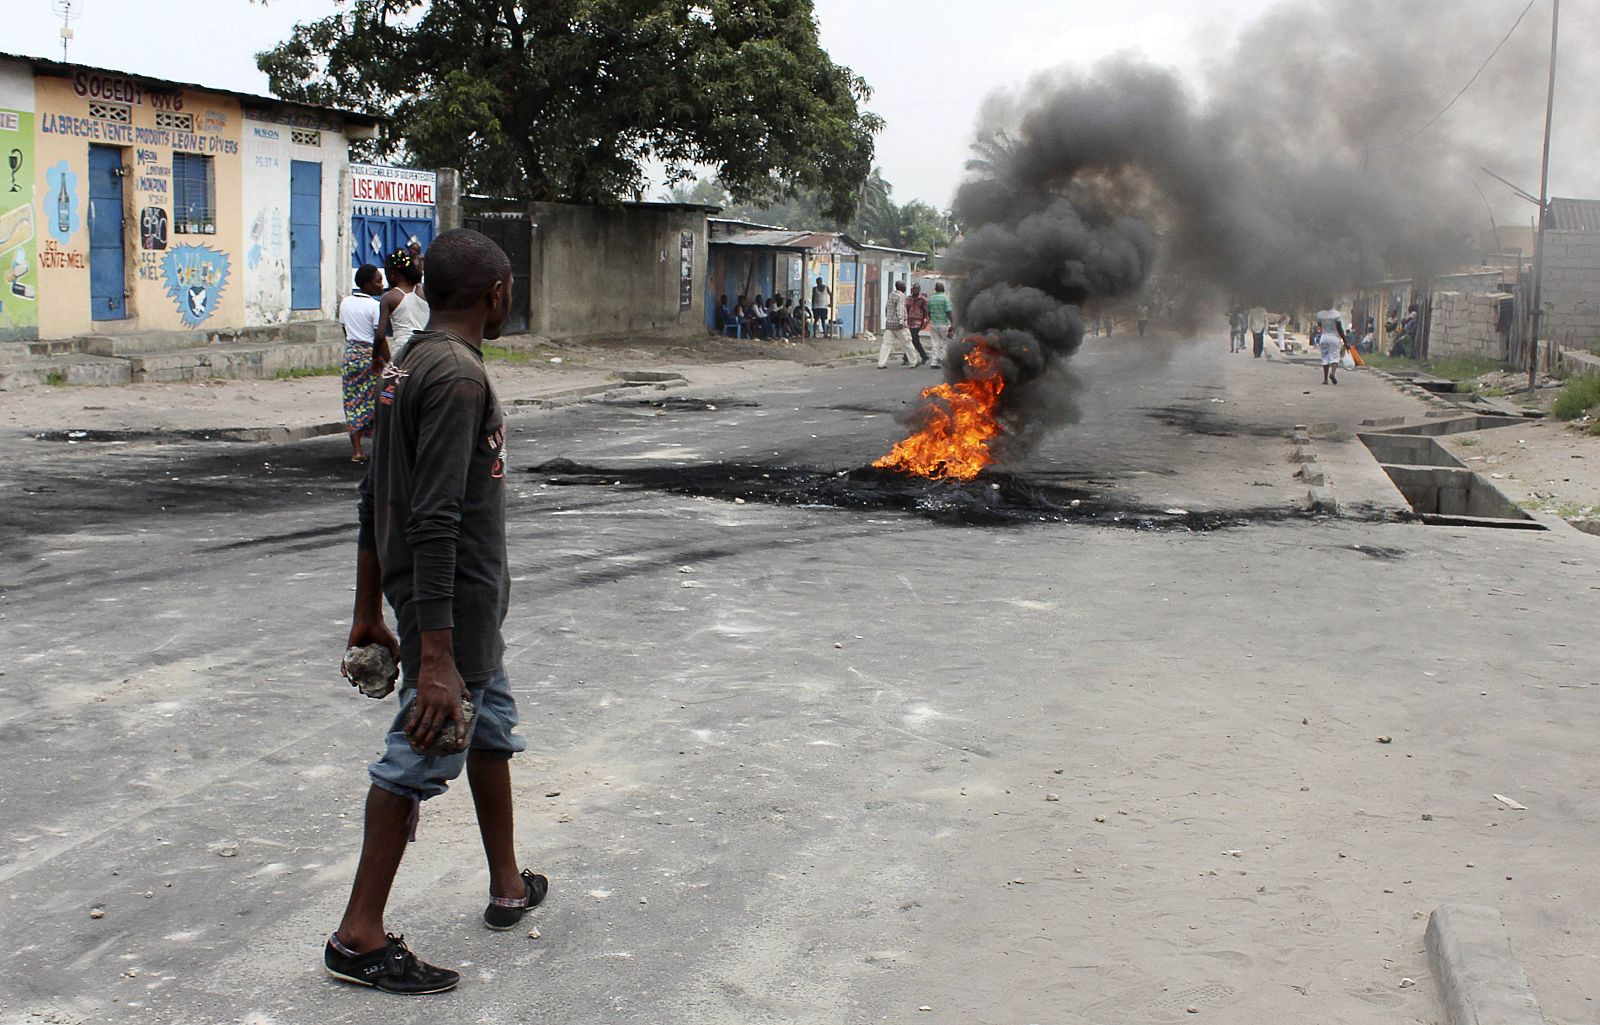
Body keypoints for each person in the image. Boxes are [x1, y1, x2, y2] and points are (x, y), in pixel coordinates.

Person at [326, 228, 546, 996]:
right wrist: (436, 657)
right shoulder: (453, 376)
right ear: (494, 293)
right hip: (451, 611)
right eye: (509, 285)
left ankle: (508, 883)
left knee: (491, 727)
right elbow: (435, 517)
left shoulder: (405, 366)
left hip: (443, 609)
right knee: (424, 746)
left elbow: (372, 495)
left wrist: (367, 611)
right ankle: (359, 934)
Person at [340, 264, 386, 463]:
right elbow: (380, 336)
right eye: (378, 280)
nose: (381, 285)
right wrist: (385, 359)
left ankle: (356, 450)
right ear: (367, 284)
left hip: (350, 354)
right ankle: (379, 448)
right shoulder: (375, 306)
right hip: (370, 355)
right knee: (376, 401)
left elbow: (344, 329)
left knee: (352, 401)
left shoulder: (345, 302)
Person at [376, 248, 429, 367]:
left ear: (392, 274)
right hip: (426, 348)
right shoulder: (424, 291)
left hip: (402, 350)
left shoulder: (389, 297)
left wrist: (376, 356)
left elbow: (380, 335)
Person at [877, 280, 921, 369]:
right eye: (904, 285)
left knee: (886, 344)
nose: (905, 287)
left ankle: (881, 363)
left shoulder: (891, 294)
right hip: (898, 324)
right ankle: (913, 361)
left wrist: (888, 318)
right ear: (901, 287)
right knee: (907, 342)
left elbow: (887, 308)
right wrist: (901, 321)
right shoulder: (901, 296)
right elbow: (900, 309)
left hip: (889, 324)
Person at [926, 281, 954, 368]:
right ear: (944, 289)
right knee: (948, 341)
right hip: (944, 324)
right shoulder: (946, 298)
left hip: (934, 324)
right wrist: (953, 323)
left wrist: (931, 319)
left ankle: (933, 362)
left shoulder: (931, 299)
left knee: (935, 343)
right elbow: (949, 311)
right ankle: (942, 358)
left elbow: (928, 312)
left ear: (935, 289)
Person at [1316, 306, 1347, 385]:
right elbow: (1339, 328)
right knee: (1335, 357)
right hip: (1334, 337)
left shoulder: (1320, 314)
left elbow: (1319, 325)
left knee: (1325, 357)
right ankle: (1332, 373)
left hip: (1324, 337)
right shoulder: (1336, 314)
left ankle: (1325, 379)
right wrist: (1345, 341)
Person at [906, 284, 931, 367]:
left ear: (919, 290)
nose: (915, 291)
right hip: (909, 321)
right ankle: (923, 356)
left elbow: (926, 311)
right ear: (912, 289)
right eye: (914, 289)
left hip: (918, 322)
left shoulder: (922, 299)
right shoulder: (909, 299)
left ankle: (909, 357)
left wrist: (926, 321)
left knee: (914, 339)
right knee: (911, 340)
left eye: (917, 289)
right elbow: (906, 309)